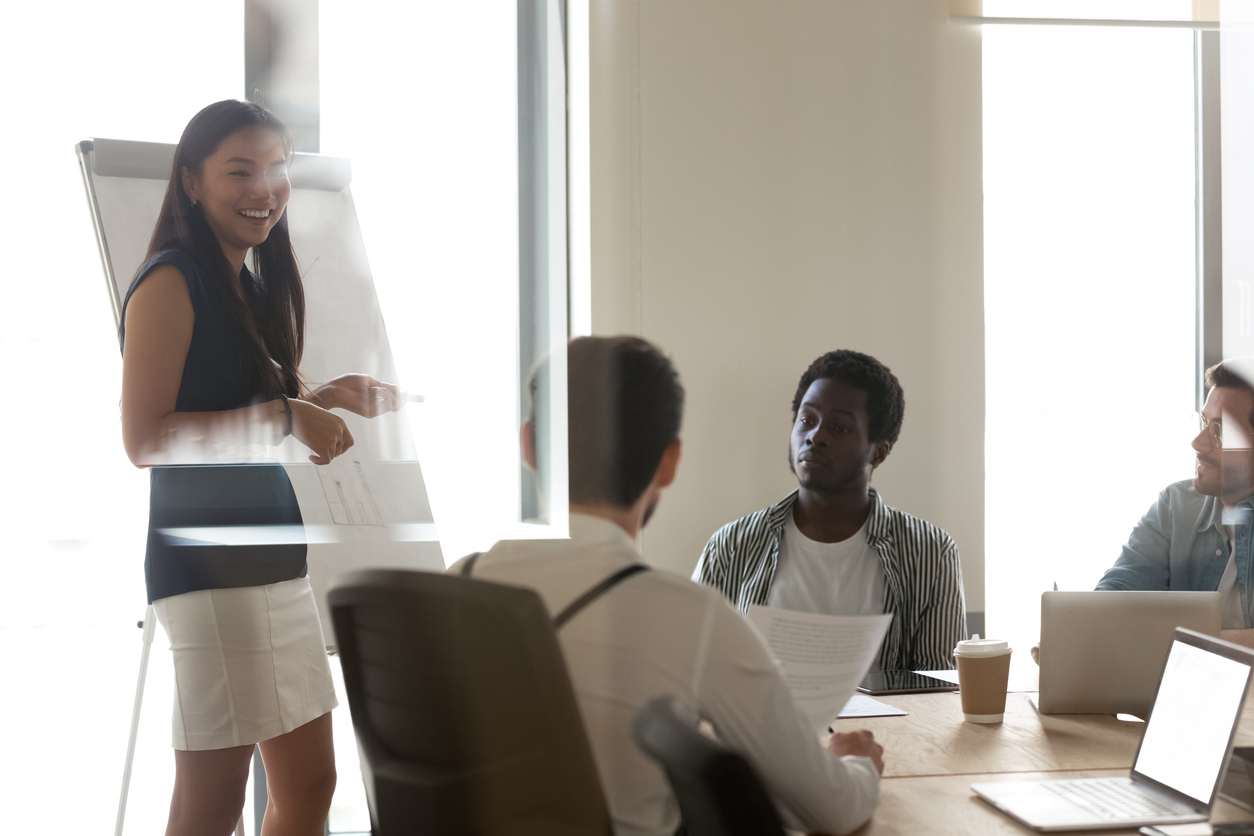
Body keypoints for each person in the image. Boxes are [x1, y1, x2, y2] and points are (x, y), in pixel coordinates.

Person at [449, 337, 883, 836]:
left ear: (528, 446)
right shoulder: (691, 618)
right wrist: (858, 764)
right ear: (670, 461)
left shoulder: (448, 587)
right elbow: (833, 809)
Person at [120, 99, 402, 836]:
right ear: (190, 181)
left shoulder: (243, 282)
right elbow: (146, 439)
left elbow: (237, 399)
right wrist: (284, 417)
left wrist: (322, 396)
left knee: (310, 785)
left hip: (275, 565)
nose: (263, 188)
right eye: (238, 170)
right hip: (211, 575)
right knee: (213, 805)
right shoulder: (170, 283)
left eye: (274, 169)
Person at [692, 349, 966, 671]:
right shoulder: (731, 546)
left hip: (883, 725)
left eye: (840, 428)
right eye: (807, 420)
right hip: (760, 723)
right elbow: (692, 673)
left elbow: (938, 696)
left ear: (878, 452)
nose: (816, 436)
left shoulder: (930, 554)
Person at [1097, 359, 1254, 648]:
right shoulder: (1176, 506)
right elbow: (1116, 599)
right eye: (1205, 422)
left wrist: (1166, 638)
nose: (1197, 442)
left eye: (1220, 431)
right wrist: (1077, 633)